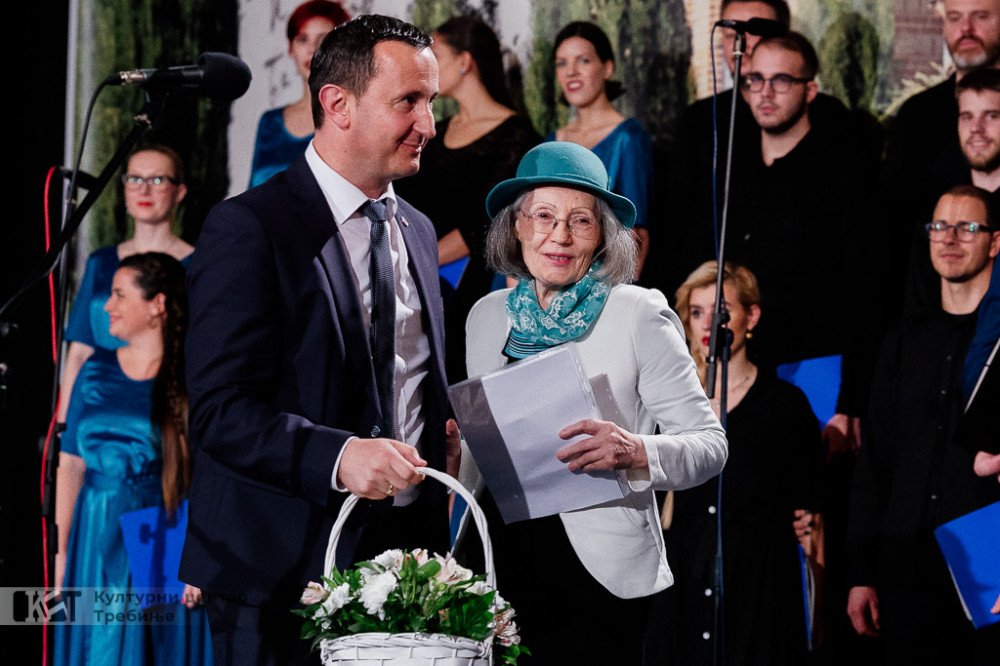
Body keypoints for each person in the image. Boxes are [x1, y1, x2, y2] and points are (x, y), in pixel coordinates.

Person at [180, 15, 452, 664]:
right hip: (277, 570)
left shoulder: (418, 229)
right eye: (408, 101)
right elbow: (219, 411)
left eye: (432, 101)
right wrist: (339, 455)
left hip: (405, 566)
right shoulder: (249, 227)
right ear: (337, 104)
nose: (429, 125)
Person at [459, 141, 728, 665]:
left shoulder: (638, 313)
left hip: (598, 576)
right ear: (516, 227)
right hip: (496, 564)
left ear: (602, 234)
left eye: (580, 220)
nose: (559, 235)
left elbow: (710, 445)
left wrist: (635, 450)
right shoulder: (485, 317)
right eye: (543, 216)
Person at [847, 185, 1000, 664]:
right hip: (905, 566)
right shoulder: (903, 342)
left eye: (967, 227)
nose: (949, 238)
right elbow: (876, 463)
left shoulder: (997, 344)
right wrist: (861, 573)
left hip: (986, 566)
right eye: (939, 226)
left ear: (995, 242)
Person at [657, 260, 823, 665]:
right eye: (697, 312)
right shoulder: (669, 402)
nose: (707, 324)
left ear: (751, 316)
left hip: (760, 579)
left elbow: (811, 512)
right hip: (685, 570)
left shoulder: (785, 404)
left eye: (720, 311)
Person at [54, 252, 213, 665]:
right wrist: (62, 553)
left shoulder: (191, 378)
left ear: (157, 304)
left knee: (156, 648)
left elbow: (208, 476)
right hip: (93, 528)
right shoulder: (94, 369)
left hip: (161, 527)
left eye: (120, 294)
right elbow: (70, 464)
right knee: (94, 645)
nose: (108, 305)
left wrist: (197, 560)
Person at [394, 14, 540, 383]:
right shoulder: (433, 132)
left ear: (465, 61)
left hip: (471, 290)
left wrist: (422, 259)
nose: (427, 66)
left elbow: (489, 221)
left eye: (437, 55)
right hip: (411, 285)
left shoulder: (516, 135)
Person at [58, 145, 194, 426]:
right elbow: (80, 351)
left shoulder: (198, 265)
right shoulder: (102, 262)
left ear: (179, 191)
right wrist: (63, 424)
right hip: (96, 406)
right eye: (134, 179)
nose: (144, 189)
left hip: (160, 410)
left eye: (157, 180)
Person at [547, 21, 654, 278]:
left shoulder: (628, 138)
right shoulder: (551, 143)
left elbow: (637, 235)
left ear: (607, 68)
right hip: (546, 274)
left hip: (597, 281)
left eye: (583, 60)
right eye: (561, 63)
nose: (571, 71)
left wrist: (613, 294)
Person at [248, 0, 350, 188]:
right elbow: (249, 197)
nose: (312, 49)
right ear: (290, 49)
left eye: (323, 39)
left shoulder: (354, 120)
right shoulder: (269, 123)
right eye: (302, 39)